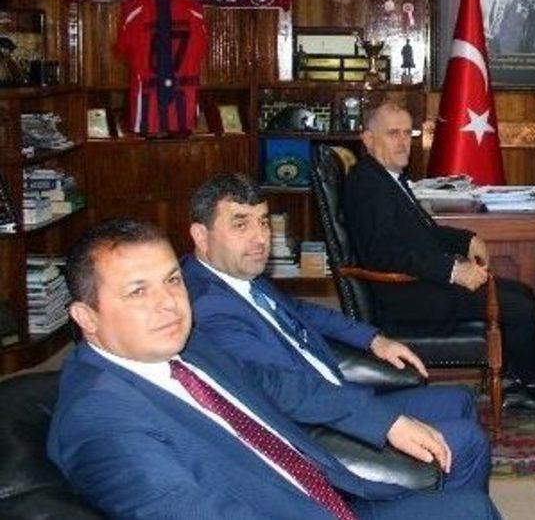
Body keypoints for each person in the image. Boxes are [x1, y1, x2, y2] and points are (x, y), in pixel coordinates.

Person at [49, 218, 499, 519]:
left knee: (473, 508)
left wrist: (385, 421)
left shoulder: (187, 346)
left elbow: (283, 387)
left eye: (172, 281)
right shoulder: (101, 420)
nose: (168, 304)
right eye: (137, 292)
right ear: (87, 318)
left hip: (327, 495)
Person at [183, 173, 490, 493]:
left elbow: (302, 311)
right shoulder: (207, 307)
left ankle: (443, 504)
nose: (260, 238)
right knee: (468, 441)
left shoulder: (237, 276)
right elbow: (287, 391)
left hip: (336, 398)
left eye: (263, 222)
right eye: (241, 224)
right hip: (314, 431)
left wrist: (373, 339)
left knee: (459, 401)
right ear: (201, 236)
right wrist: (385, 423)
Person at [344, 101, 535, 414]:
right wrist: (453, 270)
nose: (402, 142)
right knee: (517, 306)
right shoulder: (368, 184)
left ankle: (516, 383)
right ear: (368, 139)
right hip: (404, 296)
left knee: (521, 293)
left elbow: (424, 232)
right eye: (392, 133)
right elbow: (384, 255)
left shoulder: (386, 176)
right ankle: (534, 389)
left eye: (407, 133)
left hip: (419, 282)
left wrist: (467, 239)